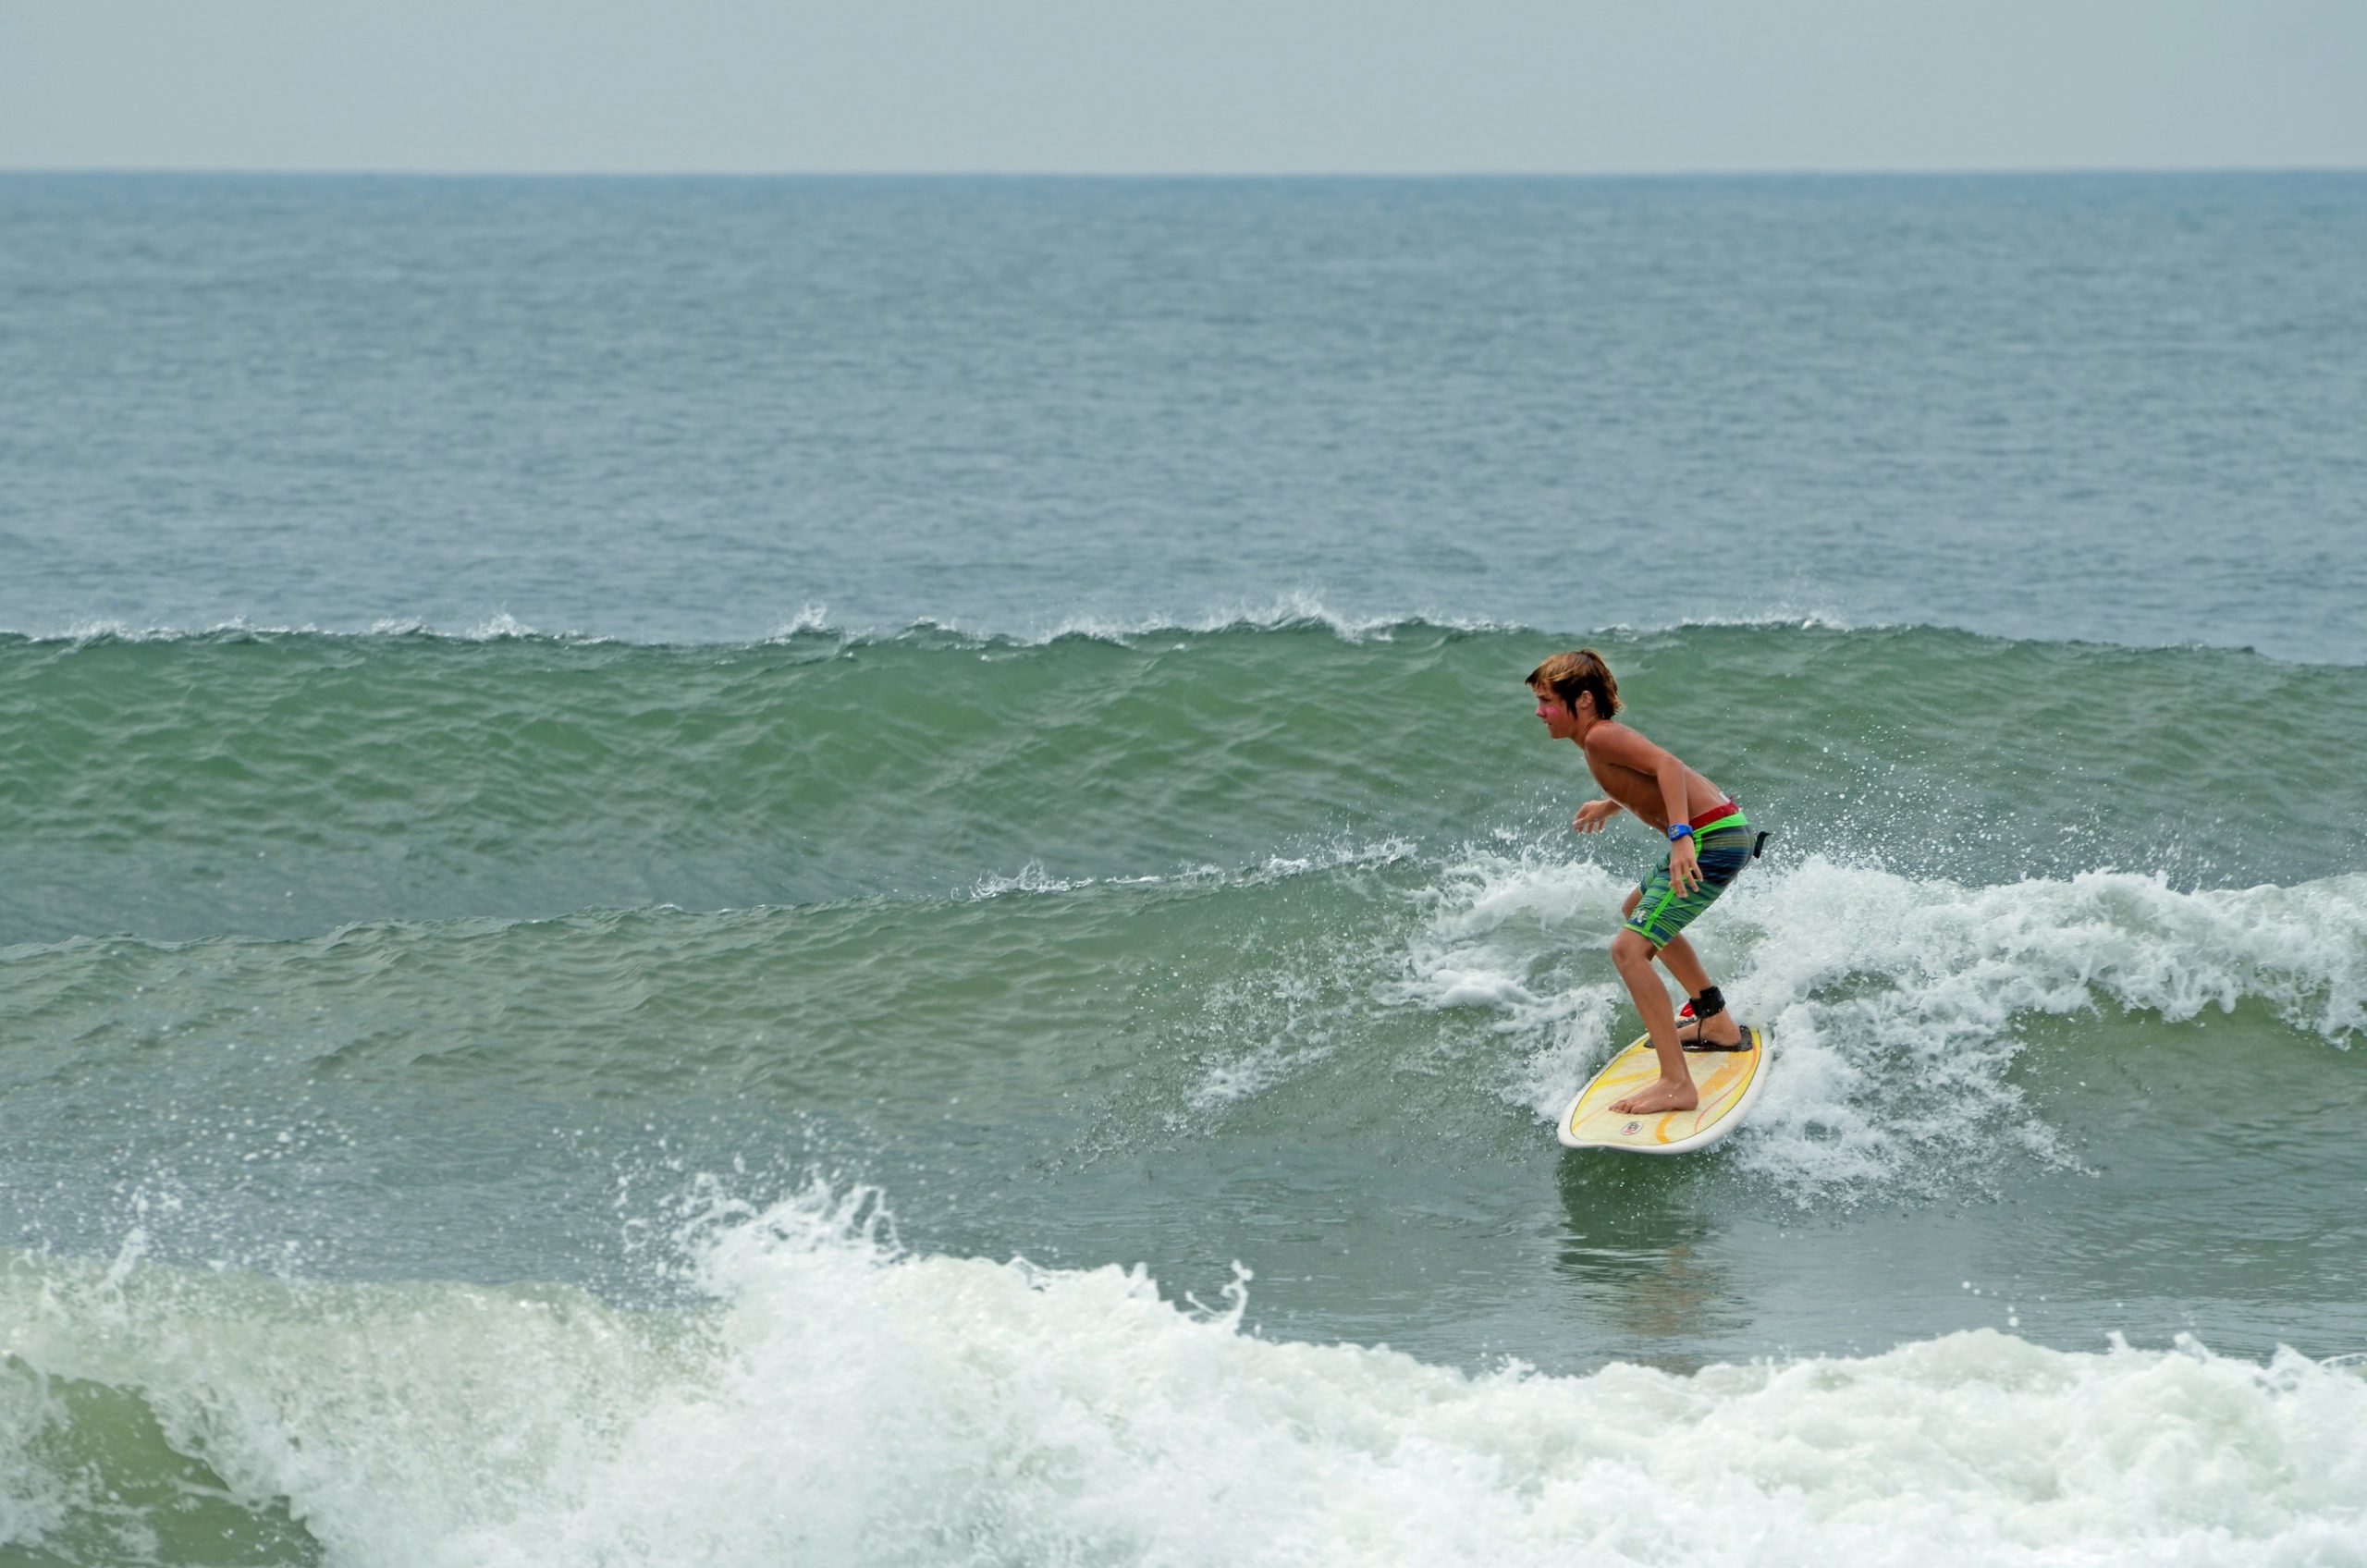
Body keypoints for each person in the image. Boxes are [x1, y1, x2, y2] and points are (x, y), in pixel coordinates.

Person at [1527, 649, 1755, 1115]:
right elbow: (1649, 776)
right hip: (1721, 831)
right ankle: (1717, 1024)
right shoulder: (1601, 739)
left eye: (1547, 701)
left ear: (1584, 700)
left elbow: (1668, 766)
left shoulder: (1600, 738)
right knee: (1637, 911)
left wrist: (1680, 837)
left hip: (1712, 840)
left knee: (1627, 951)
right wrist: (1610, 803)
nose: (1539, 712)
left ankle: (1677, 1084)